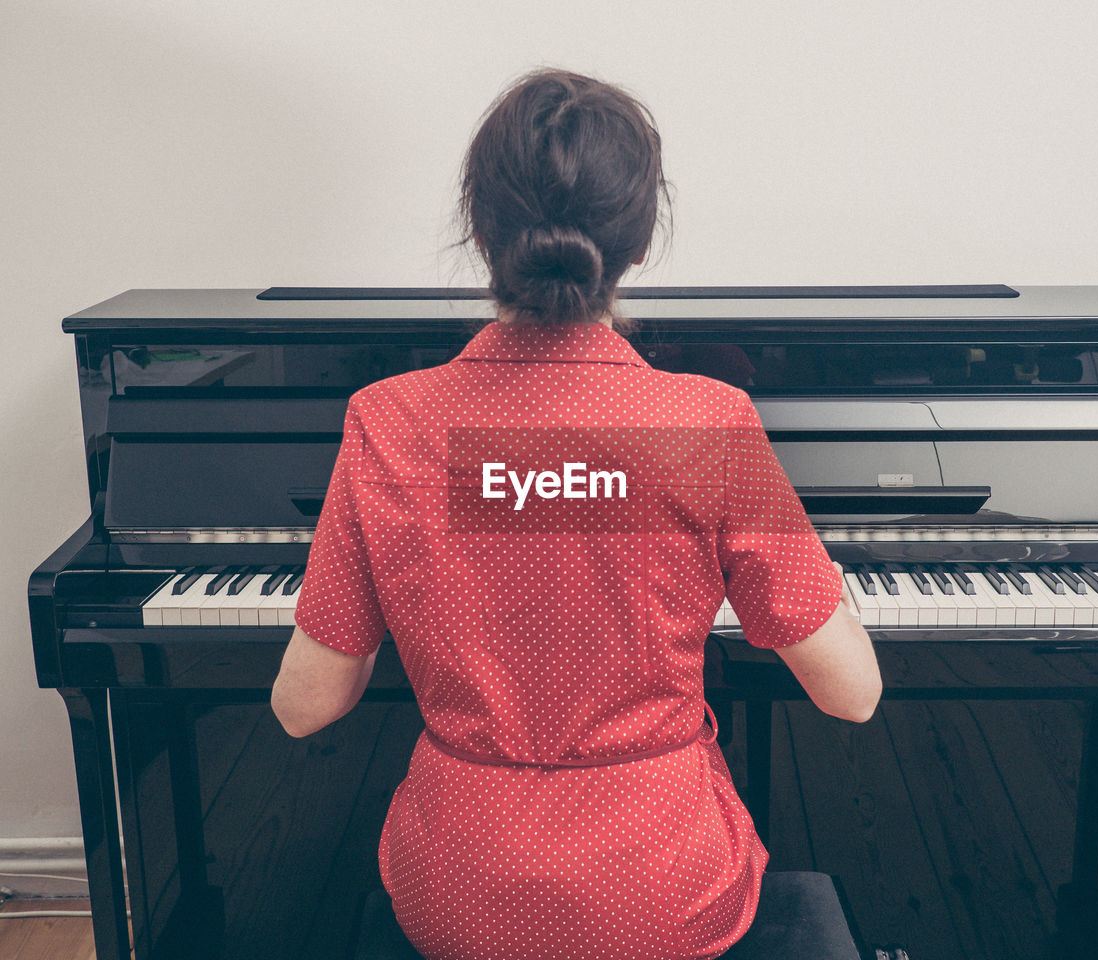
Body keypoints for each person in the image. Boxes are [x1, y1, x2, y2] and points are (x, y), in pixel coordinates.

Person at [271, 68, 881, 960]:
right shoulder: (709, 421)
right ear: (639, 244)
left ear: (482, 233)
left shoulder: (387, 418)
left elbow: (305, 708)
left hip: (459, 899)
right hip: (662, 889)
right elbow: (853, 695)